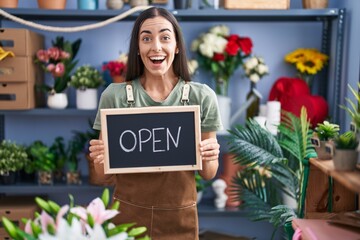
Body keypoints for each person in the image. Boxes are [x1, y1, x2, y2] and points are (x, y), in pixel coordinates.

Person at [89, 7, 222, 240]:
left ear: (177, 46)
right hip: (126, 218)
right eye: (146, 38)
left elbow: (208, 173)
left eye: (165, 37)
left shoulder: (201, 97)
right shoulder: (114, 96)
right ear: (138, 49)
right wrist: (98, 158)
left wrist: (210, 155)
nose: (156, 47)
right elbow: (102, 178)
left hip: (179, 219)